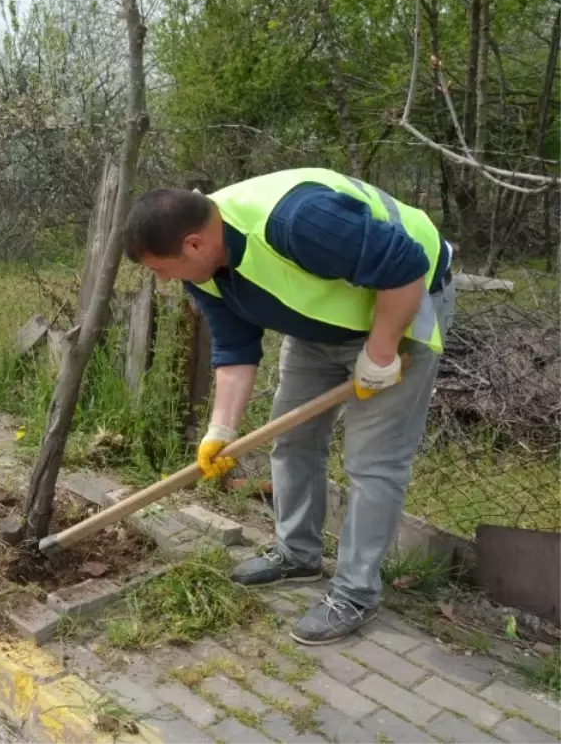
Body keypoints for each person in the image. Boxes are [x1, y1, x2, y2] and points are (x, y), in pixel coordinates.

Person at [123, 167, 455, 646]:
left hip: (403, 307)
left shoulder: (299, 220)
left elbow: (404, 267)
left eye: (159, 268)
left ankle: (355, 593)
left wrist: (380, 354)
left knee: (372, 462)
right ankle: (297, 555)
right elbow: (235, 348)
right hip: (321, 325)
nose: (161, 279)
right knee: (292, 438)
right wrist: (222, 429)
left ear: (193, 244)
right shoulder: (201, 271)